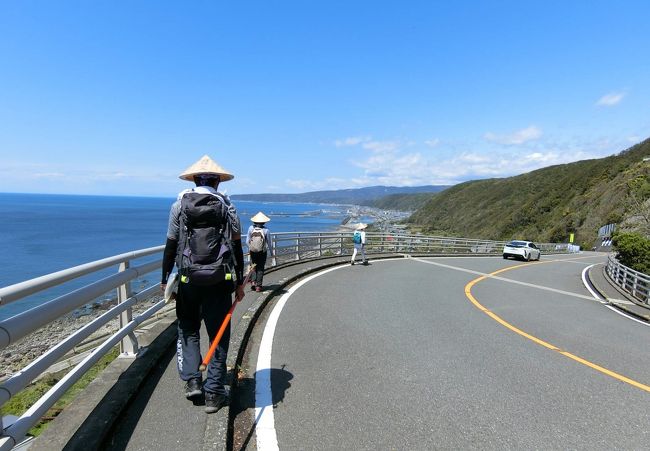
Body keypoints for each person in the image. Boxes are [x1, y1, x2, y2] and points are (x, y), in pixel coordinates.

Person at [160, 155, 245, 414]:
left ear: (195, 179)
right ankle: (214, 393)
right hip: (220, 282)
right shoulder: (228, 207)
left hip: (188, 280)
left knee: (188, 329)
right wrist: (239, 282)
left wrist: (165, 280)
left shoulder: (179, 206)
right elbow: (237, 247)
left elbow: (171, 245)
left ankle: (193, 381)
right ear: (218, 182)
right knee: (219, 335)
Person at [246, 211, 272, 292]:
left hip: (253, 251)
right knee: (260, 268)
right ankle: (258, 286)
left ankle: (253, 282)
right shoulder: (266, 230)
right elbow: (269, 243)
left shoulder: (251, 228)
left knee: (253, 266)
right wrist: (272, 253)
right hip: (262, 252)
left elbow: (247, 241)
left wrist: (251, 248)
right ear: (264, 221)